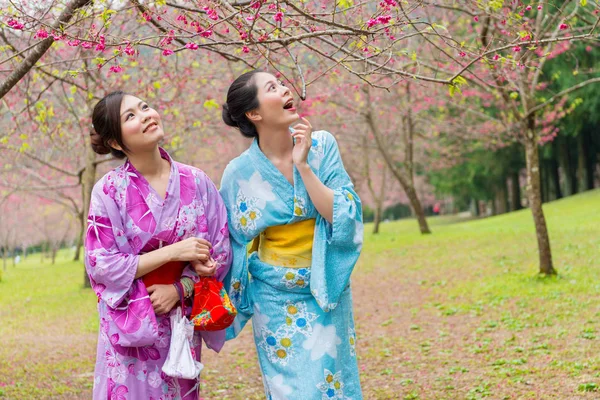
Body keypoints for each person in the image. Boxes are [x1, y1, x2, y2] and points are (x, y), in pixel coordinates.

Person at [220, 70, 364, 399]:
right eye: (272, 88)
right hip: (273, 298)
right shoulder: (237, 173)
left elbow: (344, 215)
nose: (286, 89)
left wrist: (304, 165)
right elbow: (230, 243)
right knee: (291, 391)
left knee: (333, 386)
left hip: (325, 287)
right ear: (254, 114)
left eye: (281, 83)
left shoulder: (322, 145)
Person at [84, 91, 231, 399]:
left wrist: (181, 290)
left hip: (181, 321)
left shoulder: (197, 181)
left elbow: (219, 249)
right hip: (133, 323)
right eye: (131, 116)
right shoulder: (108, 191)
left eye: (145, 107)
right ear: (114, 142)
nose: (147, 115)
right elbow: (101, 264)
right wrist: (174, 252)